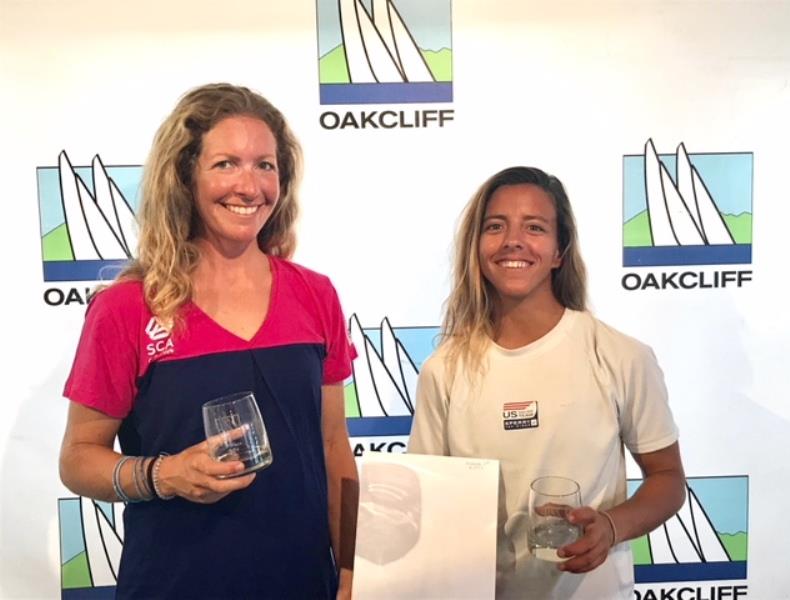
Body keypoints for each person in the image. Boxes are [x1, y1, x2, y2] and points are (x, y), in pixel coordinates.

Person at [59, 83, 358, 599]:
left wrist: (353, 571)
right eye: (226, 164)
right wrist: (164, 475)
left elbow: (334, 448)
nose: (249, 185)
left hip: (303, 583)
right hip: (173, 584)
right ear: (184, 177)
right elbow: (78, 459)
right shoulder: (126, 308)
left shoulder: (315, 295)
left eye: (265, 165)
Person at [407, 166, 685, 599]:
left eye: (534, 227)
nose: (513, 240)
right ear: (477, 248)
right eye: (496, 226)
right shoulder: (443, 370)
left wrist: (611, 527)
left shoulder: (620, 355)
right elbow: (423, 498)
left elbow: (667, 479)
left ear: (559, 251)